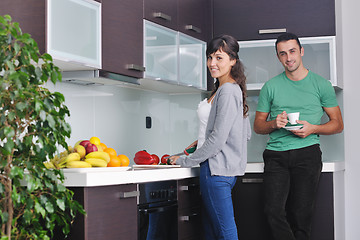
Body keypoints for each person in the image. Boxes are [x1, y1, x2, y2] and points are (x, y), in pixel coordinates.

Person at [253, 33, 343, 240]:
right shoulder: (270, 87)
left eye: (292, 51)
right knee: (272, 211)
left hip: (307, 154)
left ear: (301, 51)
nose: (288, 58)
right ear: (278, 57)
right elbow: (258, 126)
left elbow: (338, 124)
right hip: (276, 155)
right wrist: (274, 124)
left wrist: (313, 128)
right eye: (282, 54)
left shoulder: (321, 85)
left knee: (301, 217)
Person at [169, 34, 251, 239]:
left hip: (215, 171)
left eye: (219, 58)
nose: (212, 63)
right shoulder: (224, 89)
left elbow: (218, 139)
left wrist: (185, 160)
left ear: (233, 61)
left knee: (225, 232)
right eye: (209, 57)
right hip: (219, 169)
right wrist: (199, 143)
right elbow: (242, 132)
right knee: (210, 232)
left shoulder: (228, 91)